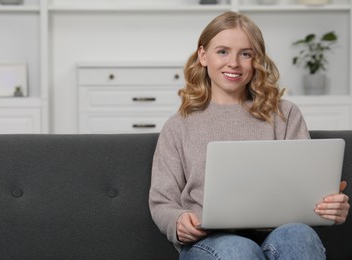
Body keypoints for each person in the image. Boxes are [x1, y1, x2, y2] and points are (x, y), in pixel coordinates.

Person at [149, 11, 350, 259]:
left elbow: (305, 192)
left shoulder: (285, 114)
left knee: (300, 236)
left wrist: (330, 207)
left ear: (256, 60)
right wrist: (178, 221)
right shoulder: (178, 125)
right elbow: (162, 201)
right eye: (222, 51)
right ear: (203, 56)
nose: (233, 63)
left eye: (246, 54)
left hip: (277, 233)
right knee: (239, 250)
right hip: (209, 242)